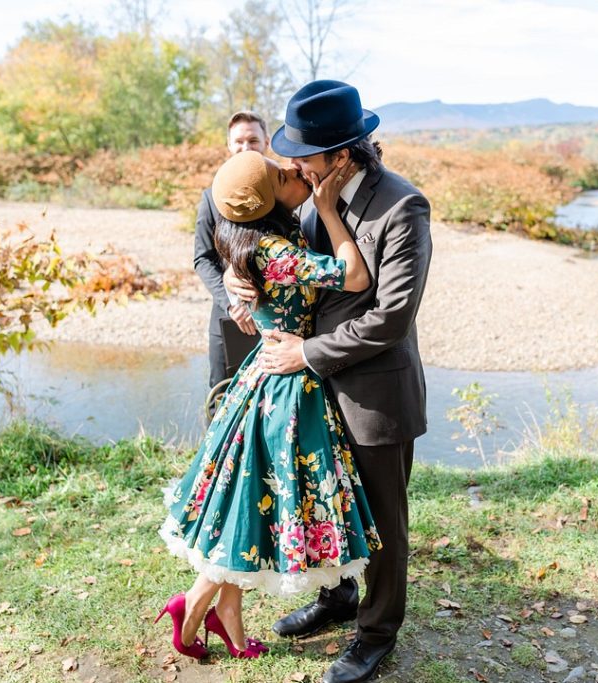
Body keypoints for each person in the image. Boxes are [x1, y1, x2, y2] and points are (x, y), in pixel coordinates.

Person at [226, 80, 432, 683]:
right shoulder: (310, 195)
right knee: (327, 499)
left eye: (304, 155)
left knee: (383, 524)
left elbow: (392, 317)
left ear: (341, 155)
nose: (292, 164)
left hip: (374, 394)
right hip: (311, 393)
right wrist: (245, 285)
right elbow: (274, 253)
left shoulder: (402, 206)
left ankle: (375, 634)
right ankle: (336, 597)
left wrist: (307, 354)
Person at [157, 150, 381, 661]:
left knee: (246, 500)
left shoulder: (247, 239)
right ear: (266, 201)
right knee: (255, 499)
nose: (295, 172)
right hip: (283, 385)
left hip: (264, 374)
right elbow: (355, 278)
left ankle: (220, 611)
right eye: (283, 175)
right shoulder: (274, 250)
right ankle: (194, 606)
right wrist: (326, 208)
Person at [193, 111, 270, 390]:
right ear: (229, 145)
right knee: (221, 399)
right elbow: (202, 258)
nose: (245, 148)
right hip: (229, 320)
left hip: (279, 324)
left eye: (253, 140)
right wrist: (232, 302)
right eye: (238, 141)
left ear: (266, 142)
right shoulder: (211, 196)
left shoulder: (285, 192)